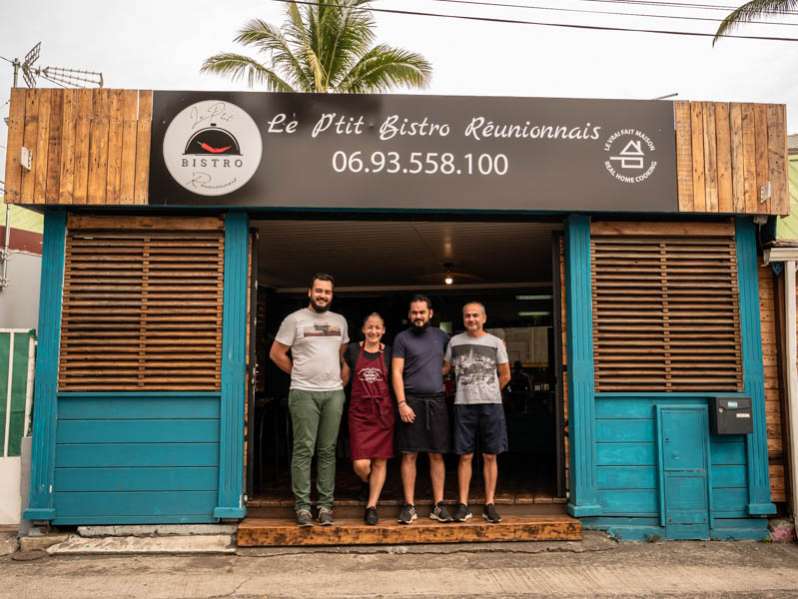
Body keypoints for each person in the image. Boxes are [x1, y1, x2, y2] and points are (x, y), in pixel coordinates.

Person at [269, 273, 349, 527]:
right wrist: (298, 372)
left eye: (327, 291)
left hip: (333, 393)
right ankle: (303, 507)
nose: (322, 295)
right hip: (303, 392)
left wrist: (337, 378)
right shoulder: (294, 320)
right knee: (304, 449)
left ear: (331, 295)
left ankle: (325, 506)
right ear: (309, 292)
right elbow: (276, 353)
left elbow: (341, 353)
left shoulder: (340, 321)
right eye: (318, 290)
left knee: (327, 451)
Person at [443, 302, 511, 524]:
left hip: (491, 405)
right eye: (467, 316)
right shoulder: (454, 342)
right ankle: (463, 505)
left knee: (490, 455)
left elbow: (505, 374)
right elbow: (445, 369)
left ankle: (489, 503)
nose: (471, 319)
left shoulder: (495, 342)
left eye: (475, 315)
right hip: (463, 405)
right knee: (465, 456)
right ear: (463, 319)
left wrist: (491, 391)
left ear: (484, 317)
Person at [392, 295, 453, 524]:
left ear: (430, 313)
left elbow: (451, 362)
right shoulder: (402, 338)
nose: (418, 316)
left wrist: (440, 373)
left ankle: (439, 505)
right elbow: (396, 372)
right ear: (410, 315)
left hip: (436, 401)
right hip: (411, 402)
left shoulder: (441, 336)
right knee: (409, 454)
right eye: (414, 313)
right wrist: (401, 403)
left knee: (436, 454)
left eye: (421, 312)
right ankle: (409, 506)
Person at [341, 313, 394, 525]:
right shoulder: (353, 350)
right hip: (359, 413)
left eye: (377, 328)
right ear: (363, 329)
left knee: (380, 460)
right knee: (361, 463)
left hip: (382, 413)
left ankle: (371, 506)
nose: (373, 332)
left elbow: (396, 379)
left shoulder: (389, 353)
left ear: (383, 331)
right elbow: (344, 378)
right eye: (369, 327)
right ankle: (367, 480)